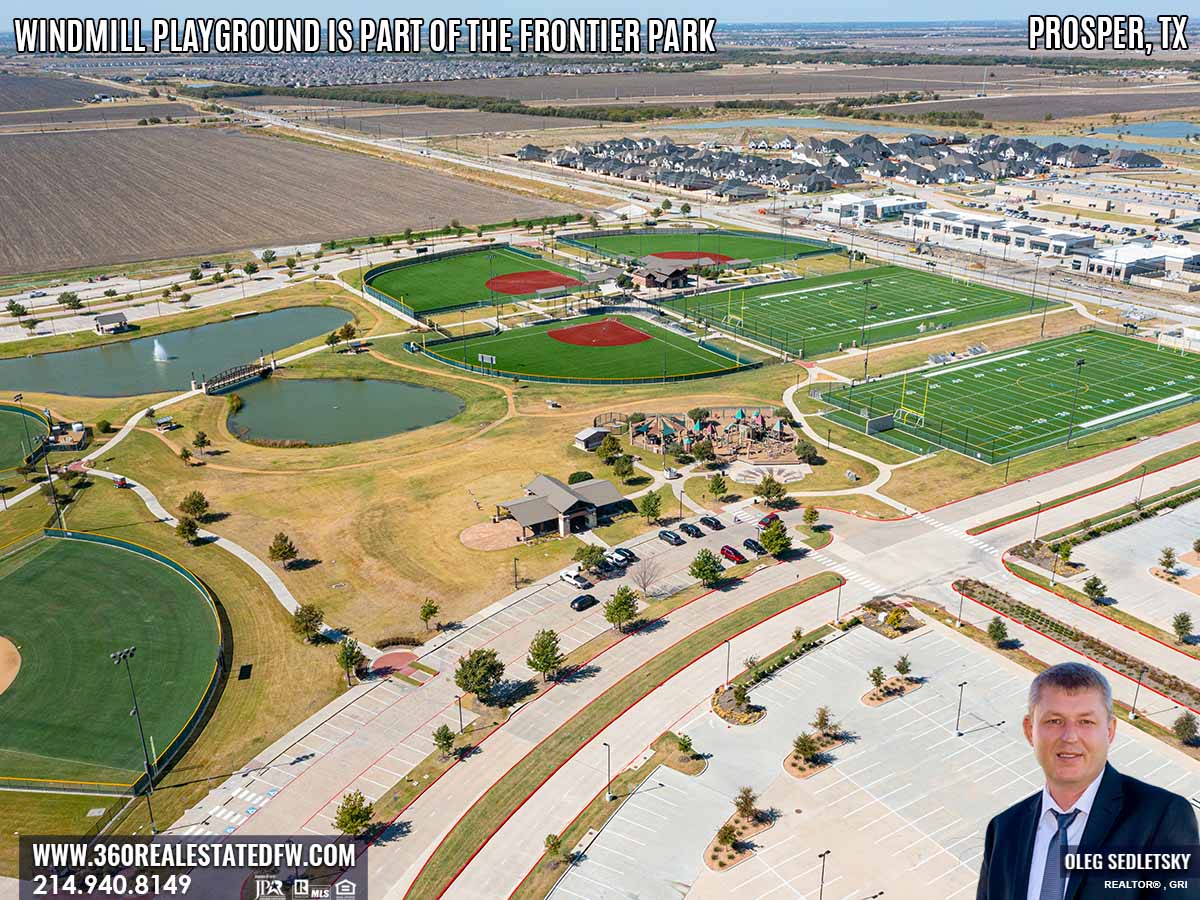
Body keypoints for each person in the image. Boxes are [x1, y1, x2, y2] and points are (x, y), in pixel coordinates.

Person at [977, 662, 1197, 899]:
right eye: (1054, 721)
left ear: (1109, 731)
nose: (1070, 737)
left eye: (1086, 722)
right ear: (1030, 730)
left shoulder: (1162, 817)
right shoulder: (1004, 830)